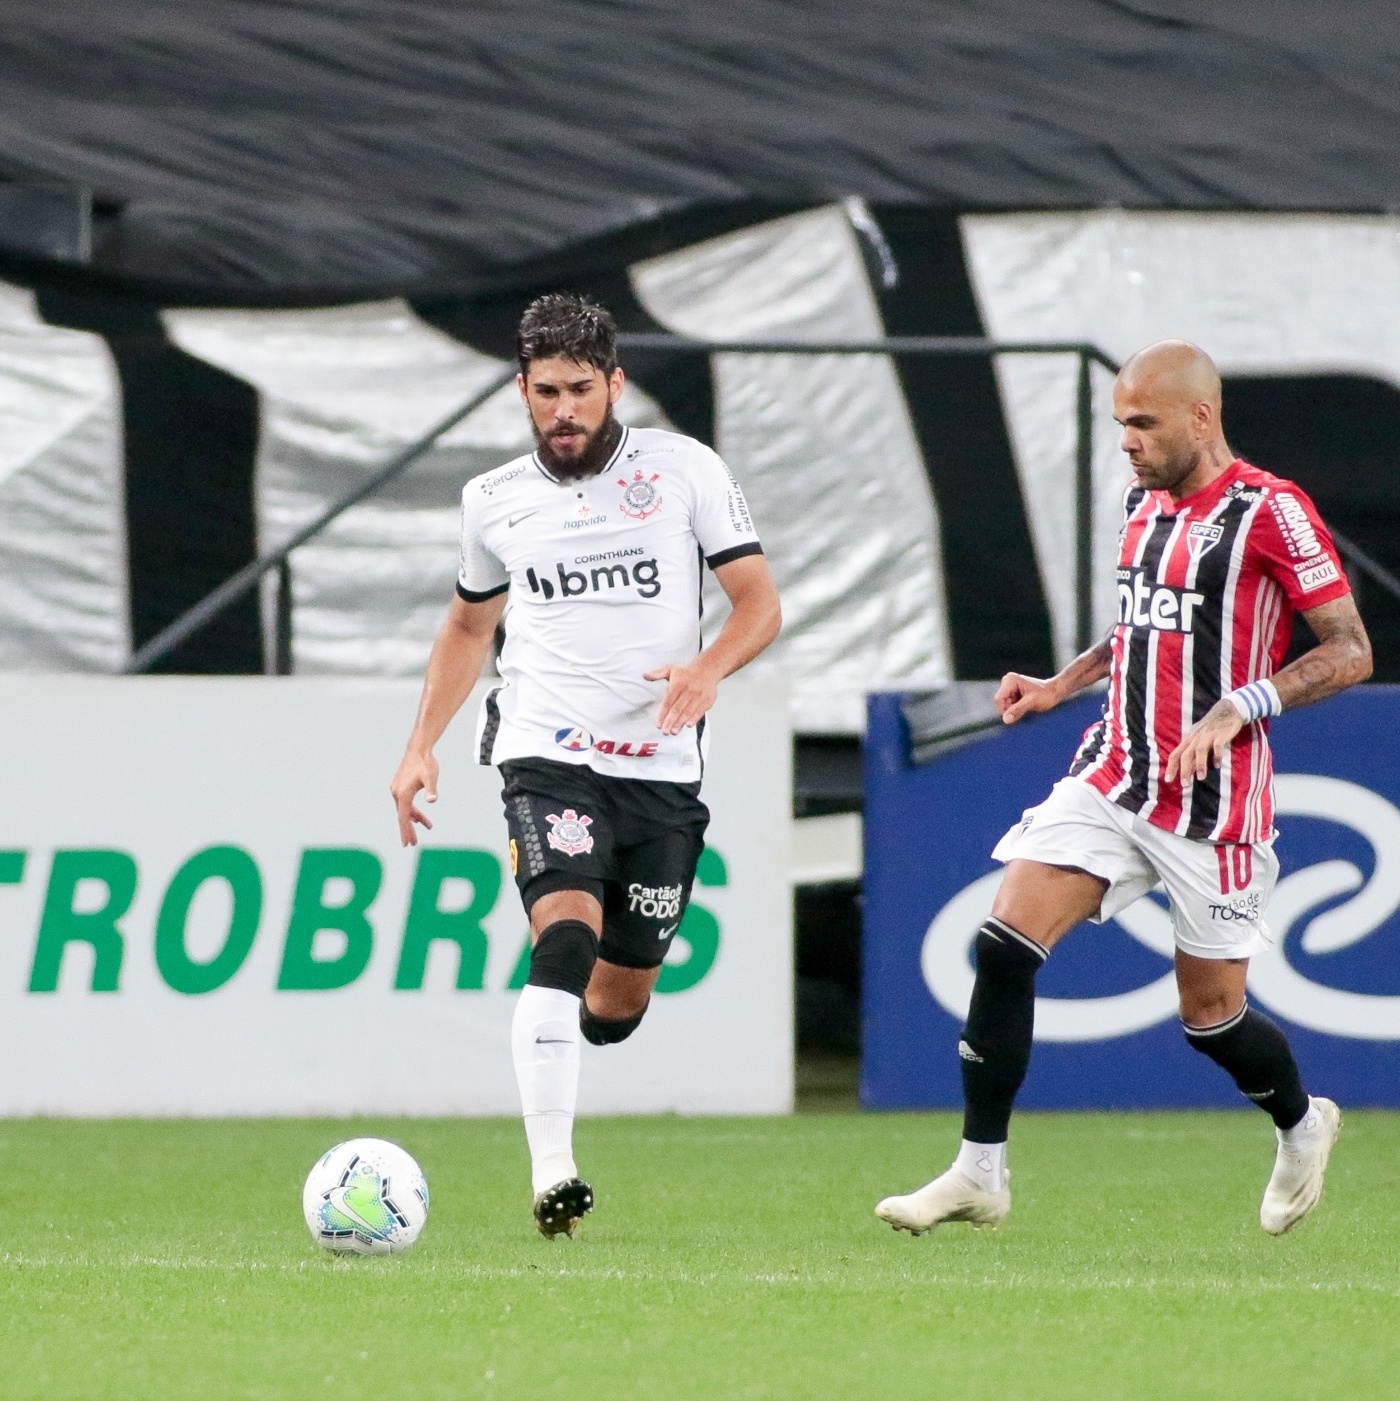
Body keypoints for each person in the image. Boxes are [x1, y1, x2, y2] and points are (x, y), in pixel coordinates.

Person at [876, 340, 1372, 1238]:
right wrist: (1063, 684)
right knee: (1002, 947)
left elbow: (1349, 647)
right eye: (1119, 425)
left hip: (1213, 805)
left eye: (1143, 423)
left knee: (1213, 1021)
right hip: (1112, 776)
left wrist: (1239, 706)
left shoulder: (1272, 509)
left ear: (1201, 417)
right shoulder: (1143, 508)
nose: (1128, 443)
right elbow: (1141, 629)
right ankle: (978, 1171)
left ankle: (1304, 1121)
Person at [391, 294, 781, 1238]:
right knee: (562, 937)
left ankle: (587, 1010)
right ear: (522, 391)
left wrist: (707, 667)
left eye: (579, 389)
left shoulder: (684, 470)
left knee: (615, 1002)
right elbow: (469, 622)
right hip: (544, 751)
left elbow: (758, 603)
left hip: (659, 767)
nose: (563, 410)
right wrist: (419, 744)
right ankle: (552, 1172)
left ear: (614, 384)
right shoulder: (493, 499)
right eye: (544, 392)